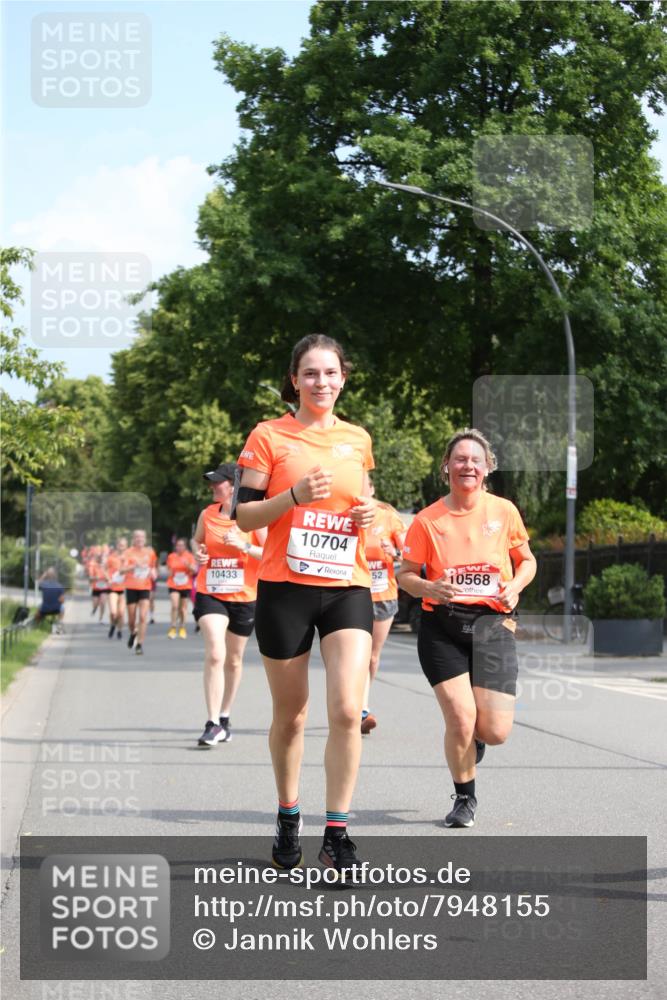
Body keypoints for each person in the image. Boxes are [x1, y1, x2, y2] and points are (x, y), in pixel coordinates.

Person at [235, 334, 376, 874]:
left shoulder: (357, 438)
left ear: (343, 379)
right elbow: (244, 517)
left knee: (345, 709)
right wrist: (292, 496)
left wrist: (367, 514)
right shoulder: (269, 436)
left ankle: (337, 833)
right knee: (291, 716)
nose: (322, 382)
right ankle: (289, 811)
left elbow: (362, 500)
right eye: (311, 373)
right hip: (285, 587)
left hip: (346, 584)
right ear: (294, 380)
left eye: (331, 372)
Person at [396, 428, 536, 829]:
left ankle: (476, 738)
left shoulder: (504, 511)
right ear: (446, 466)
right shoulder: (427, 520)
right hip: (442, 626)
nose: (467, 466)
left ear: (487, 467)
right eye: (460, 459)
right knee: (459, 717)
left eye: (476, 460)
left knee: (494, 731)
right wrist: (429, 587)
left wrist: (515, 586)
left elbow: (527, 561)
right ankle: (464, 797)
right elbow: (405, 574)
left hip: (493, 625)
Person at [193, 463, 265, 747]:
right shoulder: (207, 514)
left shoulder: (253, 517)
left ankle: (224, 716)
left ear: (233, 487)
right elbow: (197, 542)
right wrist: (199, 553)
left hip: (244, 597)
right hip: (210, 592)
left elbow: (270, 554)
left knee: (233, 659)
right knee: (215, 653)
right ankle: (211, 723)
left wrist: (243, 546)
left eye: (218, 482)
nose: (212, 487)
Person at [361, 485, 407, 734]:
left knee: (371, 656)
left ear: (371, 488)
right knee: (354, 655)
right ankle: (358, 708)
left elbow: (410, 556)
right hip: (352, 594)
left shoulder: (388, 517)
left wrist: (395, 552)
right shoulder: (345, 515)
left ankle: (361, 706)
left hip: (382, 596)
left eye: (364, 486)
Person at [123, 529, 158, 655]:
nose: (139, 539)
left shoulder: (150, 552)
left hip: (145, 587)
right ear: (133, 539)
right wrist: (134, 566)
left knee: (143, 617)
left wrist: (153, 573)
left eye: (141, 537)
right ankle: (133, 633)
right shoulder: (128, 552)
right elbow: (121, 570)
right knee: (131, 620)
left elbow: (153, 567)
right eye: (137, 537)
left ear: (145, 539)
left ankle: (139, 644)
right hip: (131, 586)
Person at [166, 538, 197, 638]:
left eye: (181, 545)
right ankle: (173, 627)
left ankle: (182, 627)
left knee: (183, 609)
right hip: (173, 583)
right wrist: (170, 573)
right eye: (178, 545)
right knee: (174, 605)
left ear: (185, 546)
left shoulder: (189, 556)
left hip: (185, 584)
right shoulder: (171, 556)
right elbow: (169, 570)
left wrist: (187, 565)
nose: (179, 547)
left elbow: (194, 570)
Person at [106, 537, 128, 640]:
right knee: (113, 612)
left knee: (121, 613)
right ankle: (112, 625)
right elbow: (105, 569)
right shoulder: (111, 557)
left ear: (126, 546)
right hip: (113, 588)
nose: (121, 547)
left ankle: (119, 630)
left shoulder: (129, 558)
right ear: (117, 545)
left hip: (124, 588)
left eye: (123, 545)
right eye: (120, 545)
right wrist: (108, 579)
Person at [35, 567, 65, 632]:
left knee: (38, 607)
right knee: (62, 607)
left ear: (47, 576)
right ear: (56, 576)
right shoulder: (59, 586)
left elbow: (38, 582)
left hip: (44, 610)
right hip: (56, 609)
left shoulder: (44, 584)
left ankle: (37, 626)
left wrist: (44, 575)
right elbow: (62, 600)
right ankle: (60, 623)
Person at [88, 551, 109, 622]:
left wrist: (104, 572)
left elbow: (109, 578)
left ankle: (101, 618)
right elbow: (90, 578)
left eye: (102, 558)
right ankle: (94, 609)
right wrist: (95, 578)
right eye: (99, 558)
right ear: (97, 559)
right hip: (96, 587)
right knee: (95, 604)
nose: (101, 559)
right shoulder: (93, 566)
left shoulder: (106, 566)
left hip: (104, 587)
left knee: (103, 603)